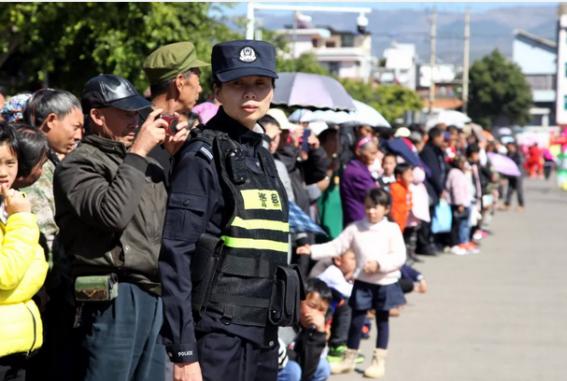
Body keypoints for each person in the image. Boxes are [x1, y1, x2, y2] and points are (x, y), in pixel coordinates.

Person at [159, 40, 302, 381]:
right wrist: (184, 352)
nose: (249, 94)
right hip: (218, 337)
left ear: (272, 90)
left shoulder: (262, 155)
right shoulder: (202, 155)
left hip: (263, 333)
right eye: (237, 84)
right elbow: (175, 253)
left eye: (259, 84)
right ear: (217, 91)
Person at [53, 74, 189, 381]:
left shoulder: (144, 161)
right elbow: (111, 214)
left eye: (136, 113)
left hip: (153, 292)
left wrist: (175, 157)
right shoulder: (78, 164)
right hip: (111, 296)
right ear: (98, 116)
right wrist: (139, 153)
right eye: (125, 113)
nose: (135, 121)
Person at [297, 188, 406, 379]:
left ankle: (378, 360)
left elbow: (399, 256)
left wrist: (379, 265)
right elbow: (336, 246)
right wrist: (311, 250)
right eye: (368, 207)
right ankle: (349, 358)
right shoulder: (356, 228)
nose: (371, 211)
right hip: (363, 281)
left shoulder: (391, 229)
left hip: (385, 282)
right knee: (356, 320)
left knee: (382, 321)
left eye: (376, 207)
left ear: (386, 209)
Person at [0, 123, 48, 381]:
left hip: (18, 348)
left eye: (10, 162)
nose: (3, 173)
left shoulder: (9, 205)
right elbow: (8, 274)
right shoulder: (18, 211)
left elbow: (35, 273)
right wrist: (21, 219)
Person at [277, 279, 332, 381]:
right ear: (298, 301)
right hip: (272, 368)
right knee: (293, 370)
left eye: (322, 310)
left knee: (323, 367)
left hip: (296, 367)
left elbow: (308, 371)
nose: (316, 314)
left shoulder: (314, 329)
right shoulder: (284, 324)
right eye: (312, 306)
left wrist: (319, 334)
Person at [340, 137, 378, 226]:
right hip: (359, 220)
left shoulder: (360, 168)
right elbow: (374, 194)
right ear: (358, 151)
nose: (374, 157)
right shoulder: (356, 172)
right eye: (372, 153)